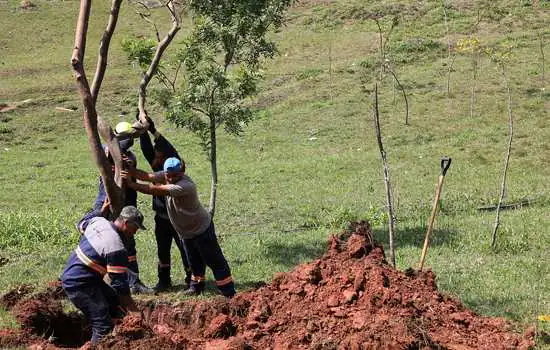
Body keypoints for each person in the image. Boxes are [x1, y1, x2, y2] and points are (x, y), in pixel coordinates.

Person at [123, 157, 236, 298]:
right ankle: (196, 287)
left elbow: (155, 190)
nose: (170, 179)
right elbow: (147, 176)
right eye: (167, 175)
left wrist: (132, 185)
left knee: (214, 261)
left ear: (182, 172)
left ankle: (228, 292)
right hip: (186, 232)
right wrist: (130, 170)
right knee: (194, 261)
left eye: (174, 176)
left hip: (201, 229)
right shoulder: (167, 175)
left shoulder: (184, 186)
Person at [76, 122, 153, 295]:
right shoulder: (107, 151)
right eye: (122, 141)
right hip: (107, 200)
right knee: (99, 237)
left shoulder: (130, 157)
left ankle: (133, 281)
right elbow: (106, 152)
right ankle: (92, 276)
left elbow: (132, 172)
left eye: (128, 142)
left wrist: (128, 168)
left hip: (126, 202)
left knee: (128, 243)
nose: (125, 146)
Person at [61, 206, 145, 345]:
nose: (135, 232)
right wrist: (134, 312)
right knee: (102, 324)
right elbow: (120, 287)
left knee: (113, 302)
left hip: (82, 276)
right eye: (135, 228)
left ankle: (121, 337)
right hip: (79, 284)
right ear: (126, 223)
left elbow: (82, 222)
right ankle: (98, 343)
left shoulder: (98, 221)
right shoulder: (116, 247)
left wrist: (101, 210)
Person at [138, 116, 193, 292]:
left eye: (158, 153)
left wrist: (153, 130)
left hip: (177, 218)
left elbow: (166, 147)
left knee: (184, 248)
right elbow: (147, 149)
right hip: (161, 217)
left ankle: (191, 278)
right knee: (163, 249)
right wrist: (142, 130)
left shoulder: (174, 166)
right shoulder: (158, 168)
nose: (155, 155)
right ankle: (164, 280)